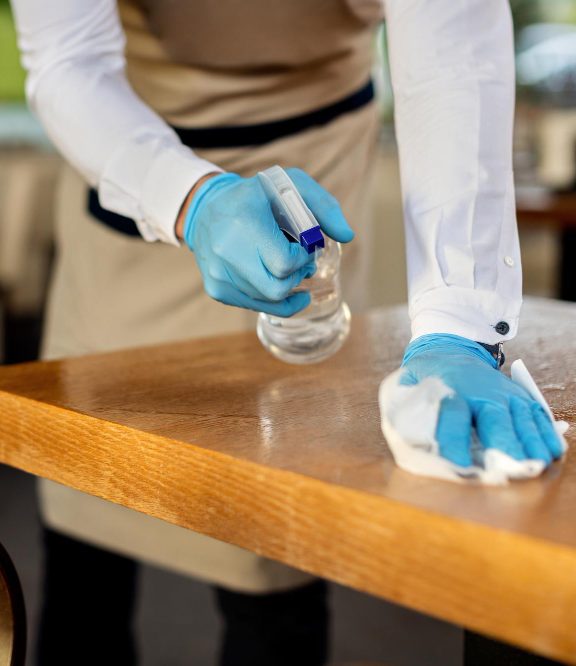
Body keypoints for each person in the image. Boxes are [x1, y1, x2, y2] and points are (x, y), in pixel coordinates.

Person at [10, 0, 563, 664]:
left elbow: (454, 43)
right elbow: (68, 61)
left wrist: (458, 324)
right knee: (85, 530)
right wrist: (191, 199)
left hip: (316, 152)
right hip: (129, 155)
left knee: (276, 545)